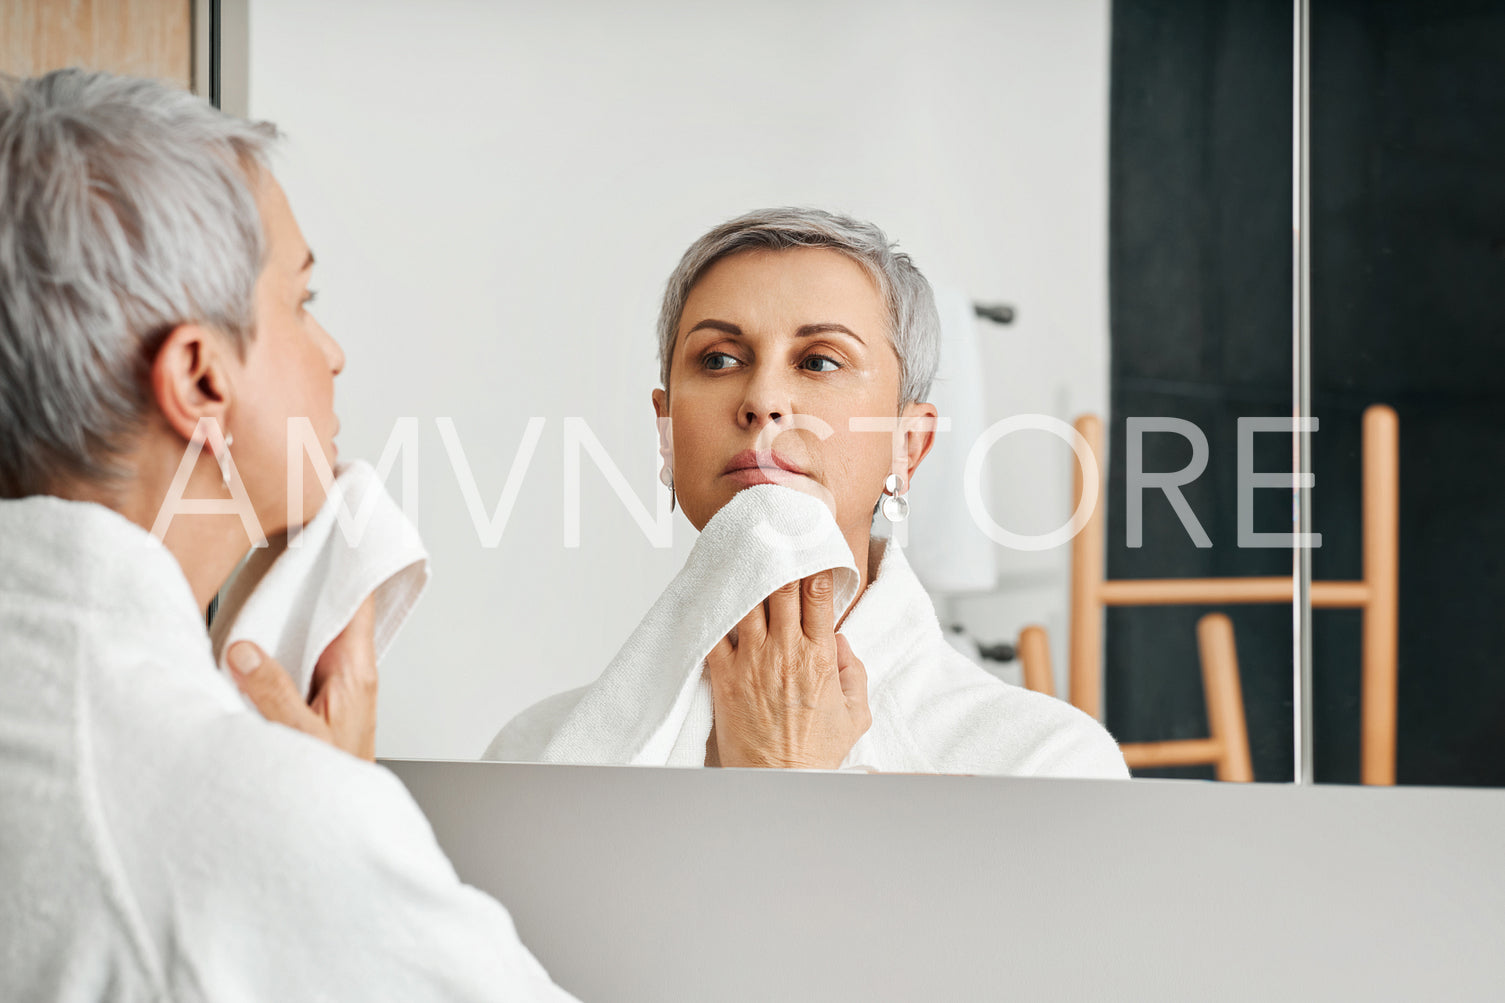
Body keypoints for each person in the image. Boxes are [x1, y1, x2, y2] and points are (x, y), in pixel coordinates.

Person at [0, 69, 577, 1000]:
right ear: (199, 380)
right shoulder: (240, 815)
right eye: (302, 302)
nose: (334, 352)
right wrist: (329, 822)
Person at [493, 208, 1128, 777]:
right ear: (667, 432)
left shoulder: (1045, 765)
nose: (763, 401)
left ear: (908, 445)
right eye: (718, 360)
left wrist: (784, 772)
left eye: (819, 361)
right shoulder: (533, 752)